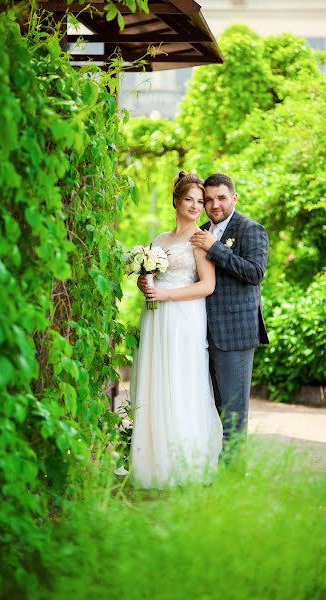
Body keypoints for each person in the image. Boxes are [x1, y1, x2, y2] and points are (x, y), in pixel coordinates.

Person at [131, 172, 223, 489]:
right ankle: (153, 462)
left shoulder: (198, 239)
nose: (197, 206)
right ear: (177, 201)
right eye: (190, 200)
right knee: (156, 380)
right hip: (156, 318)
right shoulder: (159, 240)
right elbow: (150, 278)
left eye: (201, 201)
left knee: (181, 382)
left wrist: (166, 294)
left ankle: (185, 463)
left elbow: (207, 285)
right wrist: (146, 282)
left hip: (184, 317)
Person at [191, 173, 269, 449]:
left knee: (233, 413)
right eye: (209, 199)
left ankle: (233, 476)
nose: (214, 205)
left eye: (221, 198)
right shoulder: (199, 231)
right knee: (211, 408)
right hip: (201, 332)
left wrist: (216, 249)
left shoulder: (251, 229)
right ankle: (214, 469)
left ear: (233, 198)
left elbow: (255, 273)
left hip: (235, 334)